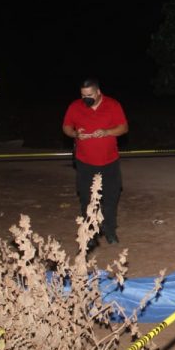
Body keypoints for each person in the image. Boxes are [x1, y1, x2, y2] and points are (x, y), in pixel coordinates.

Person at [62, 79, 128, 246]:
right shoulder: (75, 106)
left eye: (89, 95)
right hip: (85, 162)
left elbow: (124, 128)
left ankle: (110, 230)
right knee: (87, 198)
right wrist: (76, 134)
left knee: (111, 198)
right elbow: (66, 127)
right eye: (83, 95)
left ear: (98, 92)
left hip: (109, 162)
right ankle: (90, 233)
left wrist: (107, 132)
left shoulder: (113, 105)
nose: (86, 98)